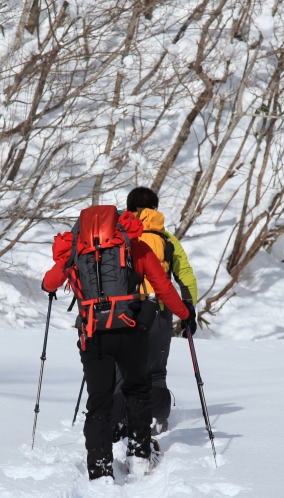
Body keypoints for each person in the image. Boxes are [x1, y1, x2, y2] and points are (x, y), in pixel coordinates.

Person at [42, 206, 197, 481]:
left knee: (98, 401)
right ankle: (139, 456)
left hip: (93, 335)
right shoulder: (134, 247)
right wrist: (186, 315)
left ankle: (99, 468)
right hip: (130, 331)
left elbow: (49, 282)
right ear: (118, 225)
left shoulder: (77, 250)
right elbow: (163, 287)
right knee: (137, 390)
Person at [124, 186, 199, 434]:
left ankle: (120, 418)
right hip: (159, 309)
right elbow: (184, 273)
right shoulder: (166, 238)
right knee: (155, 369)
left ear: (128, 207)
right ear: (155, 208)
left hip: (123, 308)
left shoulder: (117, 234)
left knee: (122, 365)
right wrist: (189, 307)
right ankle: (156, 420)